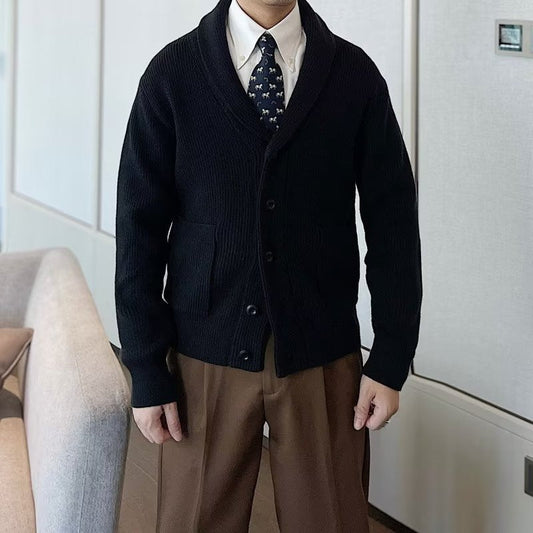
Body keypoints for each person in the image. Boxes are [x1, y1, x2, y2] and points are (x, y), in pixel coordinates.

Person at [114, 0, 422, 531]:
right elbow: (138, 231)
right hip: (203, 353)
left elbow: (392, 221)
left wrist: (391, 356)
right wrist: (145, 367)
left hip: (322, 354)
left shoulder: (353, 77)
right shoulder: (172, 75)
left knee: (330, 519)